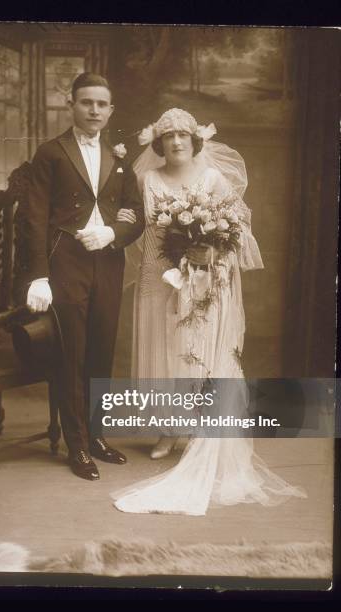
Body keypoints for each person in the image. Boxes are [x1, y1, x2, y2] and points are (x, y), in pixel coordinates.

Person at [112, 108, 306, 515]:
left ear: (195, 141)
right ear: (158, 143)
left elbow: (235, 231)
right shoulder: (147, 180)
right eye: (169, 136)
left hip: (206, 276)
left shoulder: (212, 179)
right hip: (158, 275)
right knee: (164, 348)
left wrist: (210, 251)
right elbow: (145, 233)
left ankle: (200, 429)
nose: (177, 142)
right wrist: (161, 270)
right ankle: (168, 430)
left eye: (184, 135)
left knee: (197, 350)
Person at [26, 73, 145, 481]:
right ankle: (76, 445)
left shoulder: (120, 160)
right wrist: (38, 276)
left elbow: (135, 214)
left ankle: (96, 435)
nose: (94, 110)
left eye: (101, 104)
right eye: (86, 102)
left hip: (109, 262)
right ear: (71, 105)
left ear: (111, 111)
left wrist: (113, 233)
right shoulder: (50, 153)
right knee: (72, 352)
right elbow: (34, 219)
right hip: (66, 262)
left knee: (101, 349)